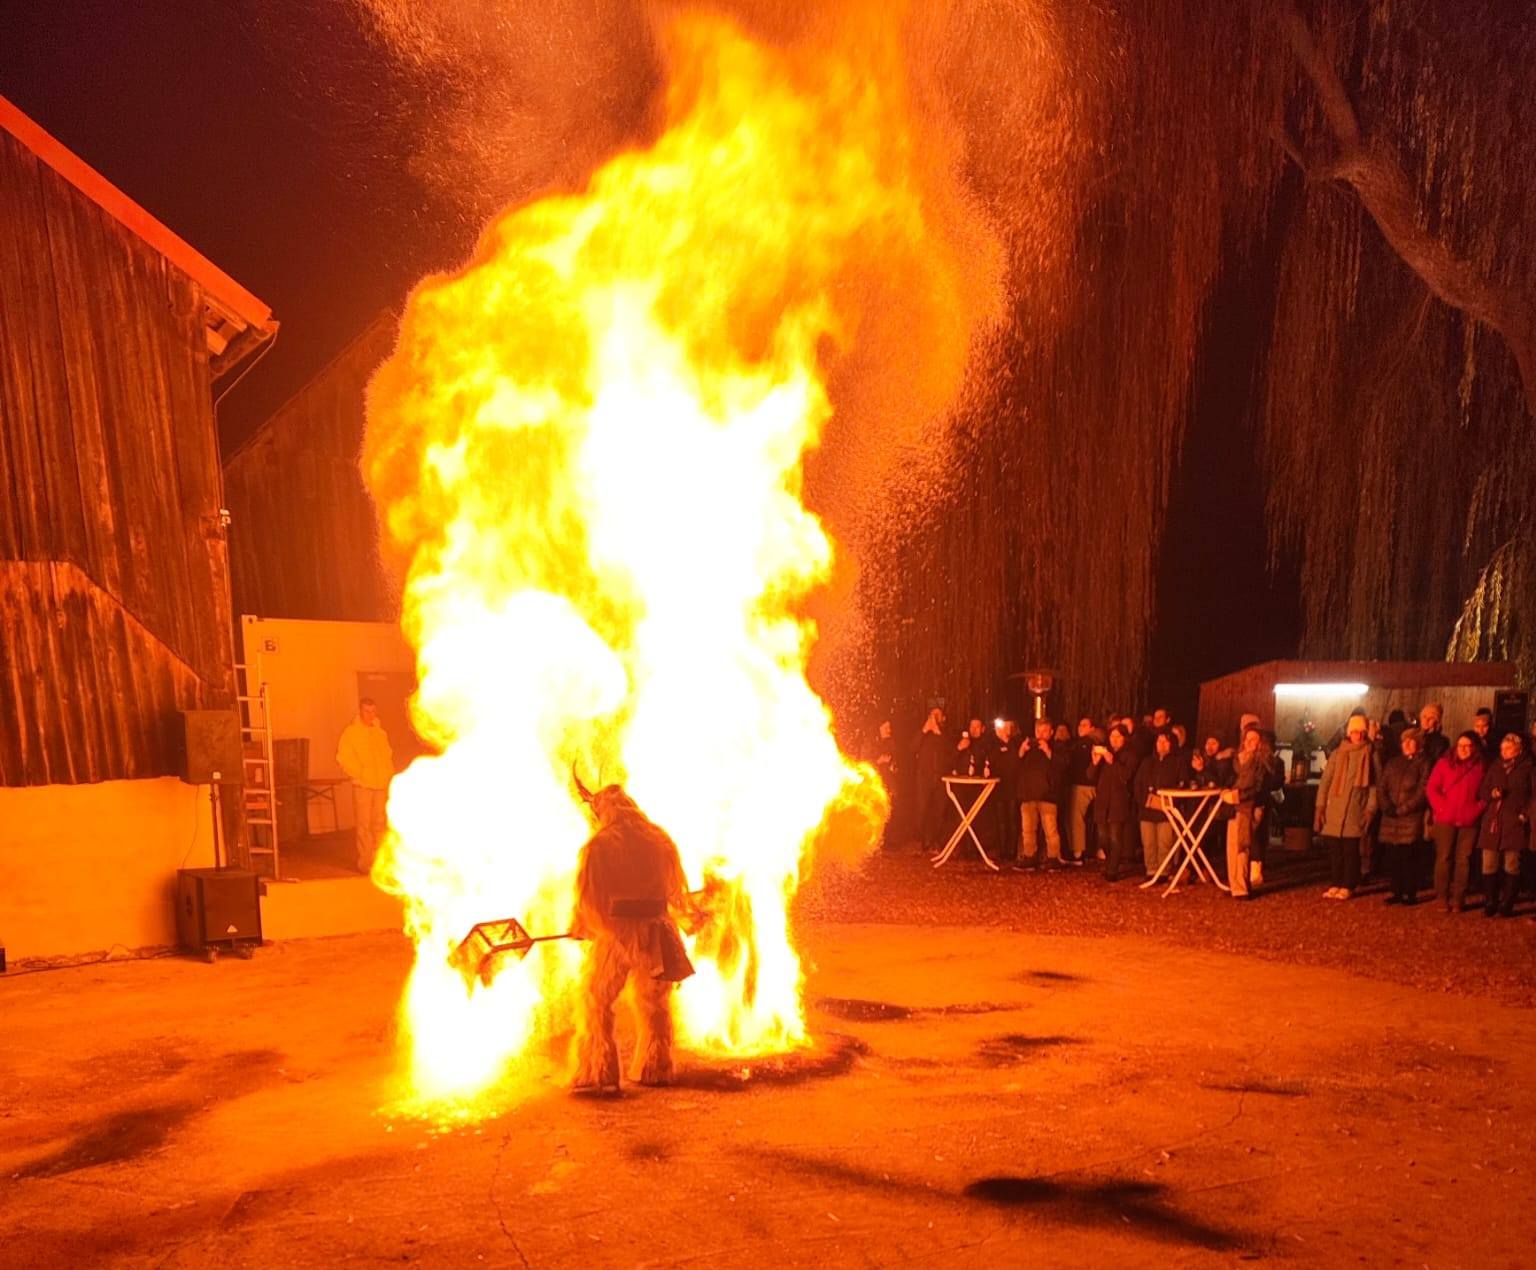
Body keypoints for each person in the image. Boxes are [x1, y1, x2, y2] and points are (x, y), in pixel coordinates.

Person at [569, 778, 695, 1093]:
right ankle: (657, 1067)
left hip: (619, 933)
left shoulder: (599, 845)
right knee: (655, 1004)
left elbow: (589, 901)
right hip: (658, 932)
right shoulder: (660, 839)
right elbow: (674, 890)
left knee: (595, 998)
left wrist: (583, 927)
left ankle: (598, 1070)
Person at [1314, 714, 1378, 899]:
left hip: (1356, 808)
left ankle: (1349, 884)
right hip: (1335, 807)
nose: (1358, 735)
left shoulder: (1370, 754)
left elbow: (1374, 785)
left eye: (1361, 732)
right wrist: (1320, 806)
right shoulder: (1338, 753)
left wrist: (1370, 809)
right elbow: (1326, 781)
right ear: (1349, 733)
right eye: (1355, 731)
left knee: (1351, 850)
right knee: (1335, 850)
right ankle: (1336, 881)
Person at [1426, 731, 1488, 912]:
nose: (1463, 749)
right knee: (1444, 857)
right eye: (1461, 745)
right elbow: (1432, 787)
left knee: (1463, 860)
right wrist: (1441, 807)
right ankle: (1442, 896)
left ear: (1475, 748)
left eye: (1468, 746)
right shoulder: (1444, 764)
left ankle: (1459, 897)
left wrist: (1477, 808)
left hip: (1469, 821)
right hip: (1446, 818)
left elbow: (1486, 792)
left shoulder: (1481, 767)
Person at [336, 697, 393, 873]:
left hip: (380, 785)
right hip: (363, 786)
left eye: (373, 711)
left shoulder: (381, 733)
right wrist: (358, 775)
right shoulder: (351, 733)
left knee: (380, 825)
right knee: (364, 826)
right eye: (367, 711)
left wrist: (388, 776)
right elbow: (343, 757)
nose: (370, 715)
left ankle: (380, 864)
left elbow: (388, 756)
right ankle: (366, 863)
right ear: (360, 711)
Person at [1477, 733, 1531, 918]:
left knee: (1512, 864)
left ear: (1519, 749)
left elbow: (1533, 795)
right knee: (1489, 863)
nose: (1504, 752)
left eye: (1508, 748)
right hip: (1493, 821)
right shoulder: (1496, 766)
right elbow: (1483, 790)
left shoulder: (1528, 767)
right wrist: (1492, 793)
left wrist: (1525, 813)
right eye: (1502, 749)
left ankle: (1507, 903)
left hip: (1514, 821)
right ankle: (1490, 901)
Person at [1378, 727, 1430, 905]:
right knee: (1393, 856)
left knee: (1408, 857)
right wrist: (1386, 806)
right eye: (1404, 741)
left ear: (1419, 743)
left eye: (1410, 741)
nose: (1406, 744)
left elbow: (1422, 791)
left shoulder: (1424, 763)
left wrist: (1403, 809)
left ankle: (1409, 891)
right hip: (1390, 816)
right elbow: (1382, 786)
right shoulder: (1393, 763)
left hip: (1410, 817)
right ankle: (1396, 890)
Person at [1224, 727, 1272, 898]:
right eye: (1248, 739)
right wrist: (1227, 791)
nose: (1250, 742)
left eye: (1254, 739)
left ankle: (1241, 887)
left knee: (1242, 846)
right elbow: (1229, 779)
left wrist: (1238, 796)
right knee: (1232, 846)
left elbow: (1259, 787)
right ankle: (1234, 884)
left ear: (1260, 743)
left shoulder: (1262, 763)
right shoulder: (1236, 761)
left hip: (1249, 808)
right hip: (1234, 807)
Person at [1016, 717, 1070, 868]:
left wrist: (1048, 752)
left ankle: (1053, 857)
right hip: (1028, 793)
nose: (1040, 734)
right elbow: (1016, 766)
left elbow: (1063, 765)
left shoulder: (1058, 747)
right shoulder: (1028, 746)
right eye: (1038, 731)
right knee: (1028, 829)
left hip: (1047, 795)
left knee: (1050, 830)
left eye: (1045, 731)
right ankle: (1029, 855)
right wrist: (1021, 752)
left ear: (1051, 732)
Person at [1134, 730, 1185, 879]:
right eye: (1159, 741)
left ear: (1171, 744)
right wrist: (1144, 800)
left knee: (1165, 842)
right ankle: (1151, 869)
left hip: (1166, 810)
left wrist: (1170, 800)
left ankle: (1164, 870)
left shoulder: (1178, 762)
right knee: (1148, 841)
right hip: (1147, 808)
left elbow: (1182, 784)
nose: (1161, 744)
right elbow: (1138, 783)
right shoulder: (1147, 762)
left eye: (1165, 741)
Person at [1092, 725, 1137, 881]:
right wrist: (1095, 763)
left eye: (1118, 736)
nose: (1115, 740)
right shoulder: (1104, 753)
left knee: (1115, 837)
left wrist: (1113, 762)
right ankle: (1110, 862)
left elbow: (1126, 775)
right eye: (1112, 736)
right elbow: (1090, 775)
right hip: (1102, 802)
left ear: (1124, 738)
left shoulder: (1130, 755)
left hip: (1118, 802)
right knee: (1103, 837)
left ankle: (1112, 869)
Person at [913, 706, 949, 851]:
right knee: (922, 810)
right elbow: (912, 748)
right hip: (924, 778)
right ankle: (920, 842)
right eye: (932, 714)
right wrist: (924, 730)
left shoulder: (945, 734)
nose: (934, 717)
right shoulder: (923, 734)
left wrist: (937, 732)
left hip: (940, 778)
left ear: (943, 718)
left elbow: (948, 751)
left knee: (939, 812)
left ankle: (936, 842)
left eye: (937, 715)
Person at [1065, 717, 1100, 864]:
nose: (1080, 727)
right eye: (1080, 724)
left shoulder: (1084, 744)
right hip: (1090, 784)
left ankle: (1078, 851)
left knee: (1076, 817)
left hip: (1082, 784)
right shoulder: (1097, 743)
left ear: (1092, 728)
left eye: (1084, 725)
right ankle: (1094, 848)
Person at [1417, 702, 1450, 768]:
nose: (1426, 720)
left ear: (1437, 722)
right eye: (1424, 716)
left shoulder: (1441, 741)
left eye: (1431, 718)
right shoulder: (1414, 735)